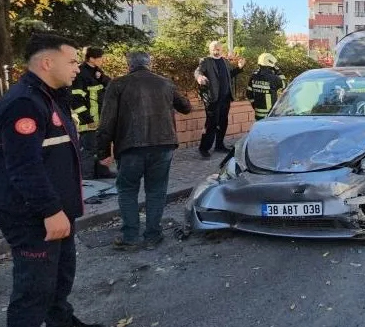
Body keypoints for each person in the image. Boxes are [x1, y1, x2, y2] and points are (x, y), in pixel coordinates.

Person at [0, 32, 105, 327]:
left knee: (60, 276)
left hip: (57, 212)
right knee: (33, 288)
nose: (76, 66)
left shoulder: (51, 98)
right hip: (32, 215)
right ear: (47, 63)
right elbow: (23, 167)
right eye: (71, 60)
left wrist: (61, 210)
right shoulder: (23, 103)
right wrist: (50, 211)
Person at [96, 52, 192, 251]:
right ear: (149, 64)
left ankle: (130, 237)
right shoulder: (165, 83)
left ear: (128, 65)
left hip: (130, 147)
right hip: (163, 145)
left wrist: (103, 151)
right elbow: (186, 107)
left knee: (127, 190)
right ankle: (153, 236)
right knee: (156, 190)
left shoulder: (118, 84)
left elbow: (107, 121)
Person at [195, 41, 245, 158]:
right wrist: (199, 77)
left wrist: (239, 68)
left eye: (218, 49)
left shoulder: (224, 61)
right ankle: (204, 148)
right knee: (211, 124)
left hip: (225, 98)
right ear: (210, 49)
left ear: (222, 49)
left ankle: (219, 145)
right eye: (214, 49)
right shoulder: (206, 61)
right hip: (213, 99)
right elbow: (198, 71)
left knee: (223, 123)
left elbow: (230, 75)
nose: (216, 51)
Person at [70, 46, 114, 179]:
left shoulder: (96, 71)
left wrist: (101, 78)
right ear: (92, 58)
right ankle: (87, 176)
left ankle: (102, 172)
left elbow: (110, 85)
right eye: (100, 58)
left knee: (100, 147)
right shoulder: (80, 73)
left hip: (100, 117)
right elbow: (75, 99)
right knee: (88, 148)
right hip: (87, 120)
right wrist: (86, 118)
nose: (102, 60)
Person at [247, 52, 287, 121]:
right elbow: (284, 84)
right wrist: (278, 71)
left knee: (260, 130)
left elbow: (248, 93)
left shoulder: (254, 76)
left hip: (258, 113)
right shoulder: (273, 78)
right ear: (270, 63)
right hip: (270, 113)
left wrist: (254, 105)